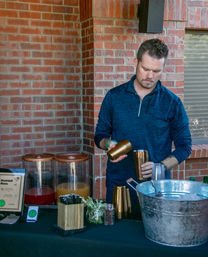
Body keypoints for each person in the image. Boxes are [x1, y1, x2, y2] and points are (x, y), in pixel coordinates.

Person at [94, 38, 192, 217]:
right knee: (117, 237)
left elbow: (185, 147)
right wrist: (108, 144)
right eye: (145, 69)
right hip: (119, 184)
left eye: (156, 71)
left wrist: (160, 166)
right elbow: (99, 135)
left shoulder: (172, 103)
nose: (150, 76)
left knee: (154, 238)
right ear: (136, 62)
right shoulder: (114, 97)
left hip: (156, 188)